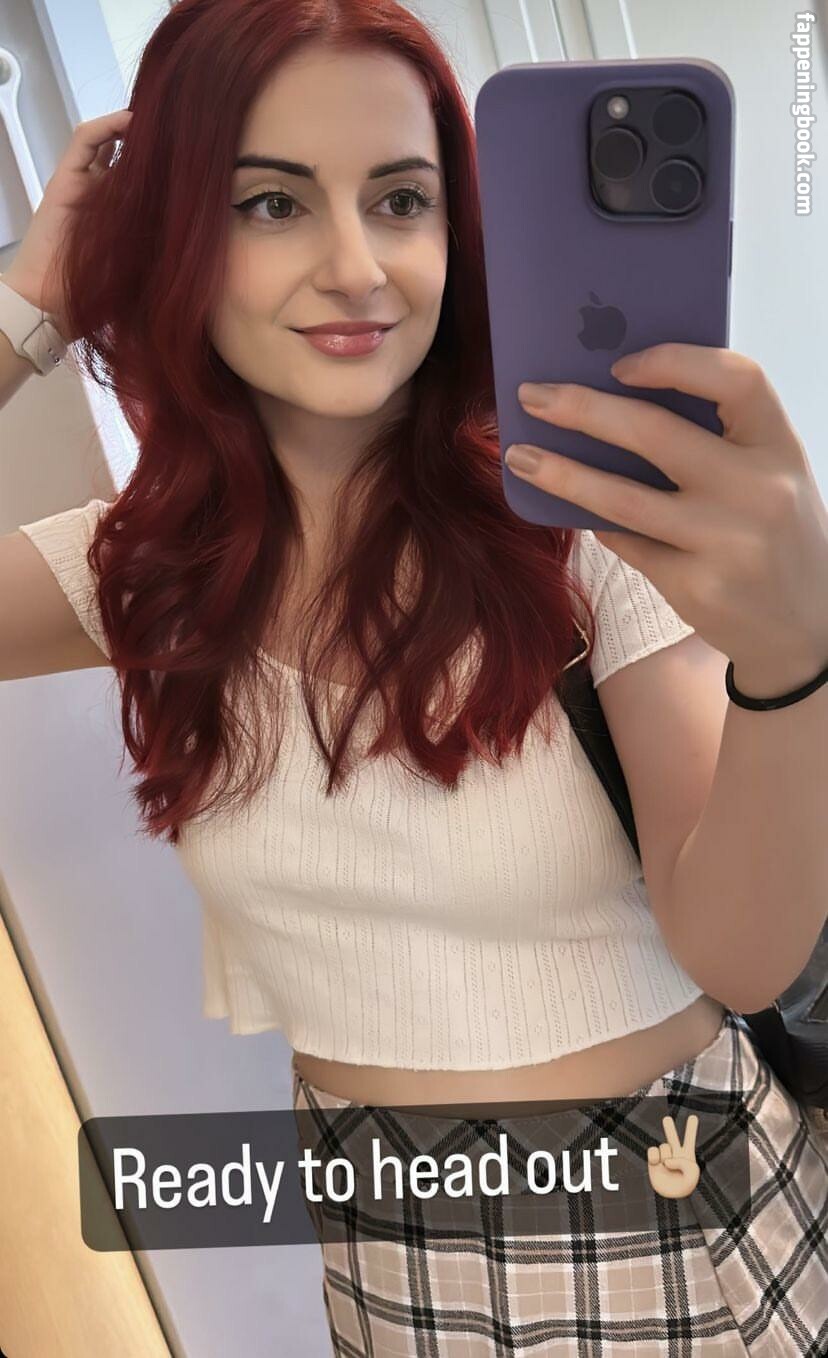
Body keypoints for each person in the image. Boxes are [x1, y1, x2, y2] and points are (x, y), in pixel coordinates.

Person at [1, 1, 826, 1352]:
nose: (356, 266)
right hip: (387, 1268)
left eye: (401, 200)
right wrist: (30, 300)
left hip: (668, 1232)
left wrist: (797, 659)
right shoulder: (145, 570)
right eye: (271, 204)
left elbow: (743, 951)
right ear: (176, 236)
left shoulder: (575, 521)